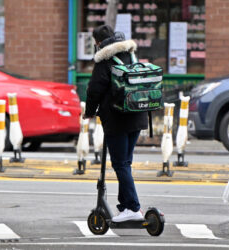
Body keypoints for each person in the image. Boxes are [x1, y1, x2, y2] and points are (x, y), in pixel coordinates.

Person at [84, 24, 148, 222]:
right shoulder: (131, 55)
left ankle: (134, 208)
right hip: (138, 116)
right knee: (125, 163)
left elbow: (94, 90)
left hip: (117, 119)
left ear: (99, 42)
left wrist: (89, 112)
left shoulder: (105, 61)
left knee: (120, 164)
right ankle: (125, 206)